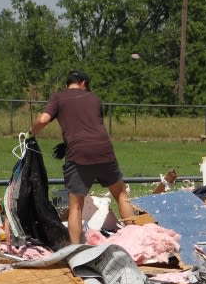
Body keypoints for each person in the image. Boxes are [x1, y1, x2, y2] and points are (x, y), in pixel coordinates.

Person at [30, 69, 135, 244]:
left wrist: (30, 134)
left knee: (76, 206)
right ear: (84, 83)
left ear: (67, 84)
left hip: (78, 155)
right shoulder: (94, 98)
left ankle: (76, 251)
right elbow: (91, 126)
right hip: (104, 151)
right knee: (121, 195)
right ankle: (135, 241)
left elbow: (42, 120)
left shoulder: (58, 97)